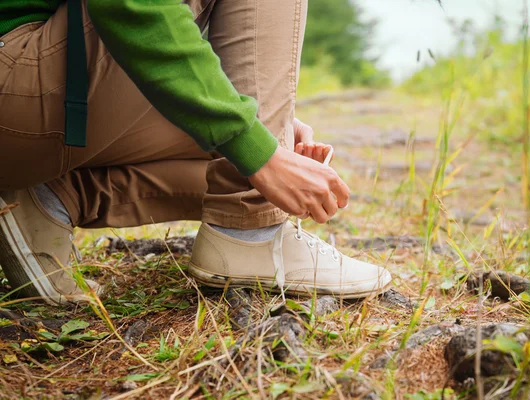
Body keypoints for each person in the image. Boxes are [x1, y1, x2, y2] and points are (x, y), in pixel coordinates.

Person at [0, 0, 392, 305]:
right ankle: (252, 233)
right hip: (16, 83)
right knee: (242, 148)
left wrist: (267, 132)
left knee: (231, 149)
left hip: (23, 104)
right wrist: (262, 153)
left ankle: (51, 198)